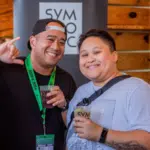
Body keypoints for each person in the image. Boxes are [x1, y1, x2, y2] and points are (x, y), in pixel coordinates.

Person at [66, 29, 150, 150]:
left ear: (114, 56)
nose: (90, 59)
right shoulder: (81, 92)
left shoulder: (137, 89)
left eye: (96, 52)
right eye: (84, 55)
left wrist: (101, 134)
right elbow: (71, 134)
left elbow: (147, 142)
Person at [0, 18, 76, 150]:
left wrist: (65, 105)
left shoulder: (67, 79)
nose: (56, 47)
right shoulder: (8, 70)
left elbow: (75, 127)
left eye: (62, 42)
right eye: (50, 39)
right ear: (33, 41)